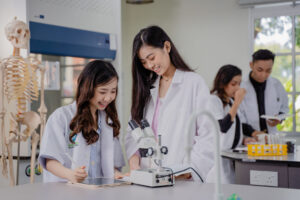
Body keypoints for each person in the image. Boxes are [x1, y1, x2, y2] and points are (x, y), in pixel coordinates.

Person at [125, 25, 214, 181]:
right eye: (144, 62)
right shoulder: (147, 87)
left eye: (151, 58)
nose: (150, 65)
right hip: (148, 178)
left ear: (167, 46)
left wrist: (188, 170)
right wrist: (135, 166)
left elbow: (208, 135)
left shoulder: (193, 83)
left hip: (180, 178)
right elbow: (133, 132)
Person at [39, 60, 125, 183]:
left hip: (100, 192)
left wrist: (117, 174)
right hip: (67, 191)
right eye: (102, 92)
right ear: (87, 88)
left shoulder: (108, 121)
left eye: (113, 91)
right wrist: (70, 174)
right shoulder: (61, 117)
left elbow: (111, 166)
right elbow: (50, 161)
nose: (108, 98)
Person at [206, 65, 255, 183]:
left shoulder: (230, 102)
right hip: (217, 159)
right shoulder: (213, 100)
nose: (237, 88)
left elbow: (234, 128)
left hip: (229, 157)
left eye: (239, 84)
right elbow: (223, 127)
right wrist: (237, 103)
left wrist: (243, 139)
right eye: (234, 84)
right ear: (223, 83)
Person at [240, 49, 289, 138]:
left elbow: (284, 107)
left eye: (268, 71)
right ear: (251, 65)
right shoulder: (240, 86)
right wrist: (254, 133)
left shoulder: (276, 85)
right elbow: (238, 118)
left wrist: (279, 119)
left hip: (271, 138)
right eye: (260, 70)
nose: (263, 75)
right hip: (249, 139)